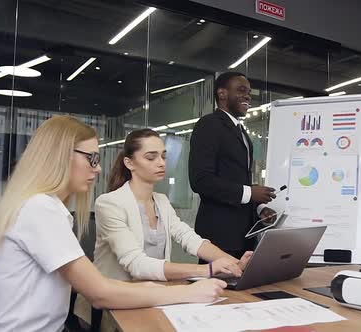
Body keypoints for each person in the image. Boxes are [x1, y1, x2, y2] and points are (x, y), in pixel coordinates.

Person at [0, 116, 226, 332]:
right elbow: (99, 293)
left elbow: (85, 284)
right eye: (91, 158)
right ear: (60, 155)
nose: (99, 167)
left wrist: (152, 289)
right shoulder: (40, 208)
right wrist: (189, 290)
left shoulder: (39, 206)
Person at [74, 128, 252, 328]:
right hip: (113, 306)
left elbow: (190, 239)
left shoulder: (162, 201)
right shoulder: (109, 203)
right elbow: (137, 264)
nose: (161, 163)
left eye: (163, 156)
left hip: (152, 297)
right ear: (129, 163)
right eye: (151, 157)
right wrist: (207, 270)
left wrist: (234, 264)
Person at [189, 71, 277, 260]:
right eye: (241, 90)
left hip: (242, 237)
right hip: (219, 237)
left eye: (249, 92)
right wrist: (249, 193)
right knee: (217, 289)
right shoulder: (209, 125)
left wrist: (259, 209)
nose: (247, 96)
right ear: (222, 94)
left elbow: (236, 180)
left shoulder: (241, 131)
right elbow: (201, 180)